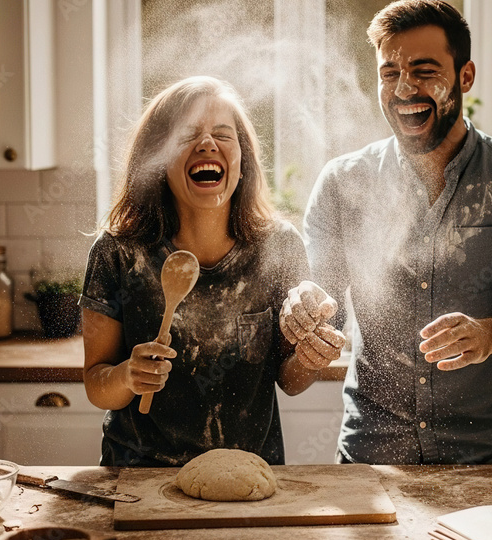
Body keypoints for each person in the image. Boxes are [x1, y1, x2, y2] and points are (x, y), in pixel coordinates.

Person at [280, 0, 492, 465]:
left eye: (424, 71)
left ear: (465, 77)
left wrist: (490, 335)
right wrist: (305, 315)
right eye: (389, 73)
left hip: (488, 466)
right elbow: (308, 347)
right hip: (370, 464)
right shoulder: (344, 183)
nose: (405, 88)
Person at [80, 76, 345, 467]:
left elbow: (289, 382)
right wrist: (126, 377)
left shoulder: (280, 247)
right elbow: (96, 383)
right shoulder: (117, 252)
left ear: (242, 161)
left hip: (252, 474)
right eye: (188, 136)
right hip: (138, 479)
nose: (207, 144)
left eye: (223, 134)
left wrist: (308, 358)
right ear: (157, 159)